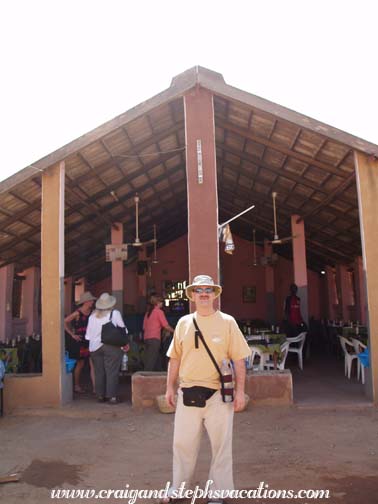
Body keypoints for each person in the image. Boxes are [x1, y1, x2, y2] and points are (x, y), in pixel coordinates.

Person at [164, 274, 250, 502]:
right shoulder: (183, 323)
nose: (203, 293)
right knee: (182, 445)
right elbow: (174, 358)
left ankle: (218, 493)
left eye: (208, 290)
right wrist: (169, 389)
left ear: (215, 294)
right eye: (199, 290)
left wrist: (240, 392)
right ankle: (178, 490)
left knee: (221, 447)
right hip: (187, 393)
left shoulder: (228, 322)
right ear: (192, 295)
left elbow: (239, 360)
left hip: (219, 397)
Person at [85, 292, 128, 404]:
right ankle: (112, 397)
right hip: (111, 346)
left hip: (94, 348)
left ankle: (100, 396)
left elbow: (88, 336)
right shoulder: (115, 313)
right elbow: (123, 329)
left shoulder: (92, 316)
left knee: (99, 372)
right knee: (112, 371)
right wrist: (125, 343)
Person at [64, 291, 96, 394]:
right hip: (80, 341)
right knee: (80, 364)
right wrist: (72, 334)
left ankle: (95, 388)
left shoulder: (93, 312)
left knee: (93, 364)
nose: (92, 302)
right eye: (91, 300)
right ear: (86, 301)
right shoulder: (78, 313)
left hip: (90, 340)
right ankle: (76, 385)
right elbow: (64, 321)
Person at [143, 295, 174, 371]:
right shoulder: (159, 312)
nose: (162, 303)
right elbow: (165, 325)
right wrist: (175, 331)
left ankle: (160, 374)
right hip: (154, 339)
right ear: (157, 303)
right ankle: (145, 378)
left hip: (147, 338)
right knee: (150, 362)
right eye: (161, 302)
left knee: (156, 359)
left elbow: (144, 327)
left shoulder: (148, 313)